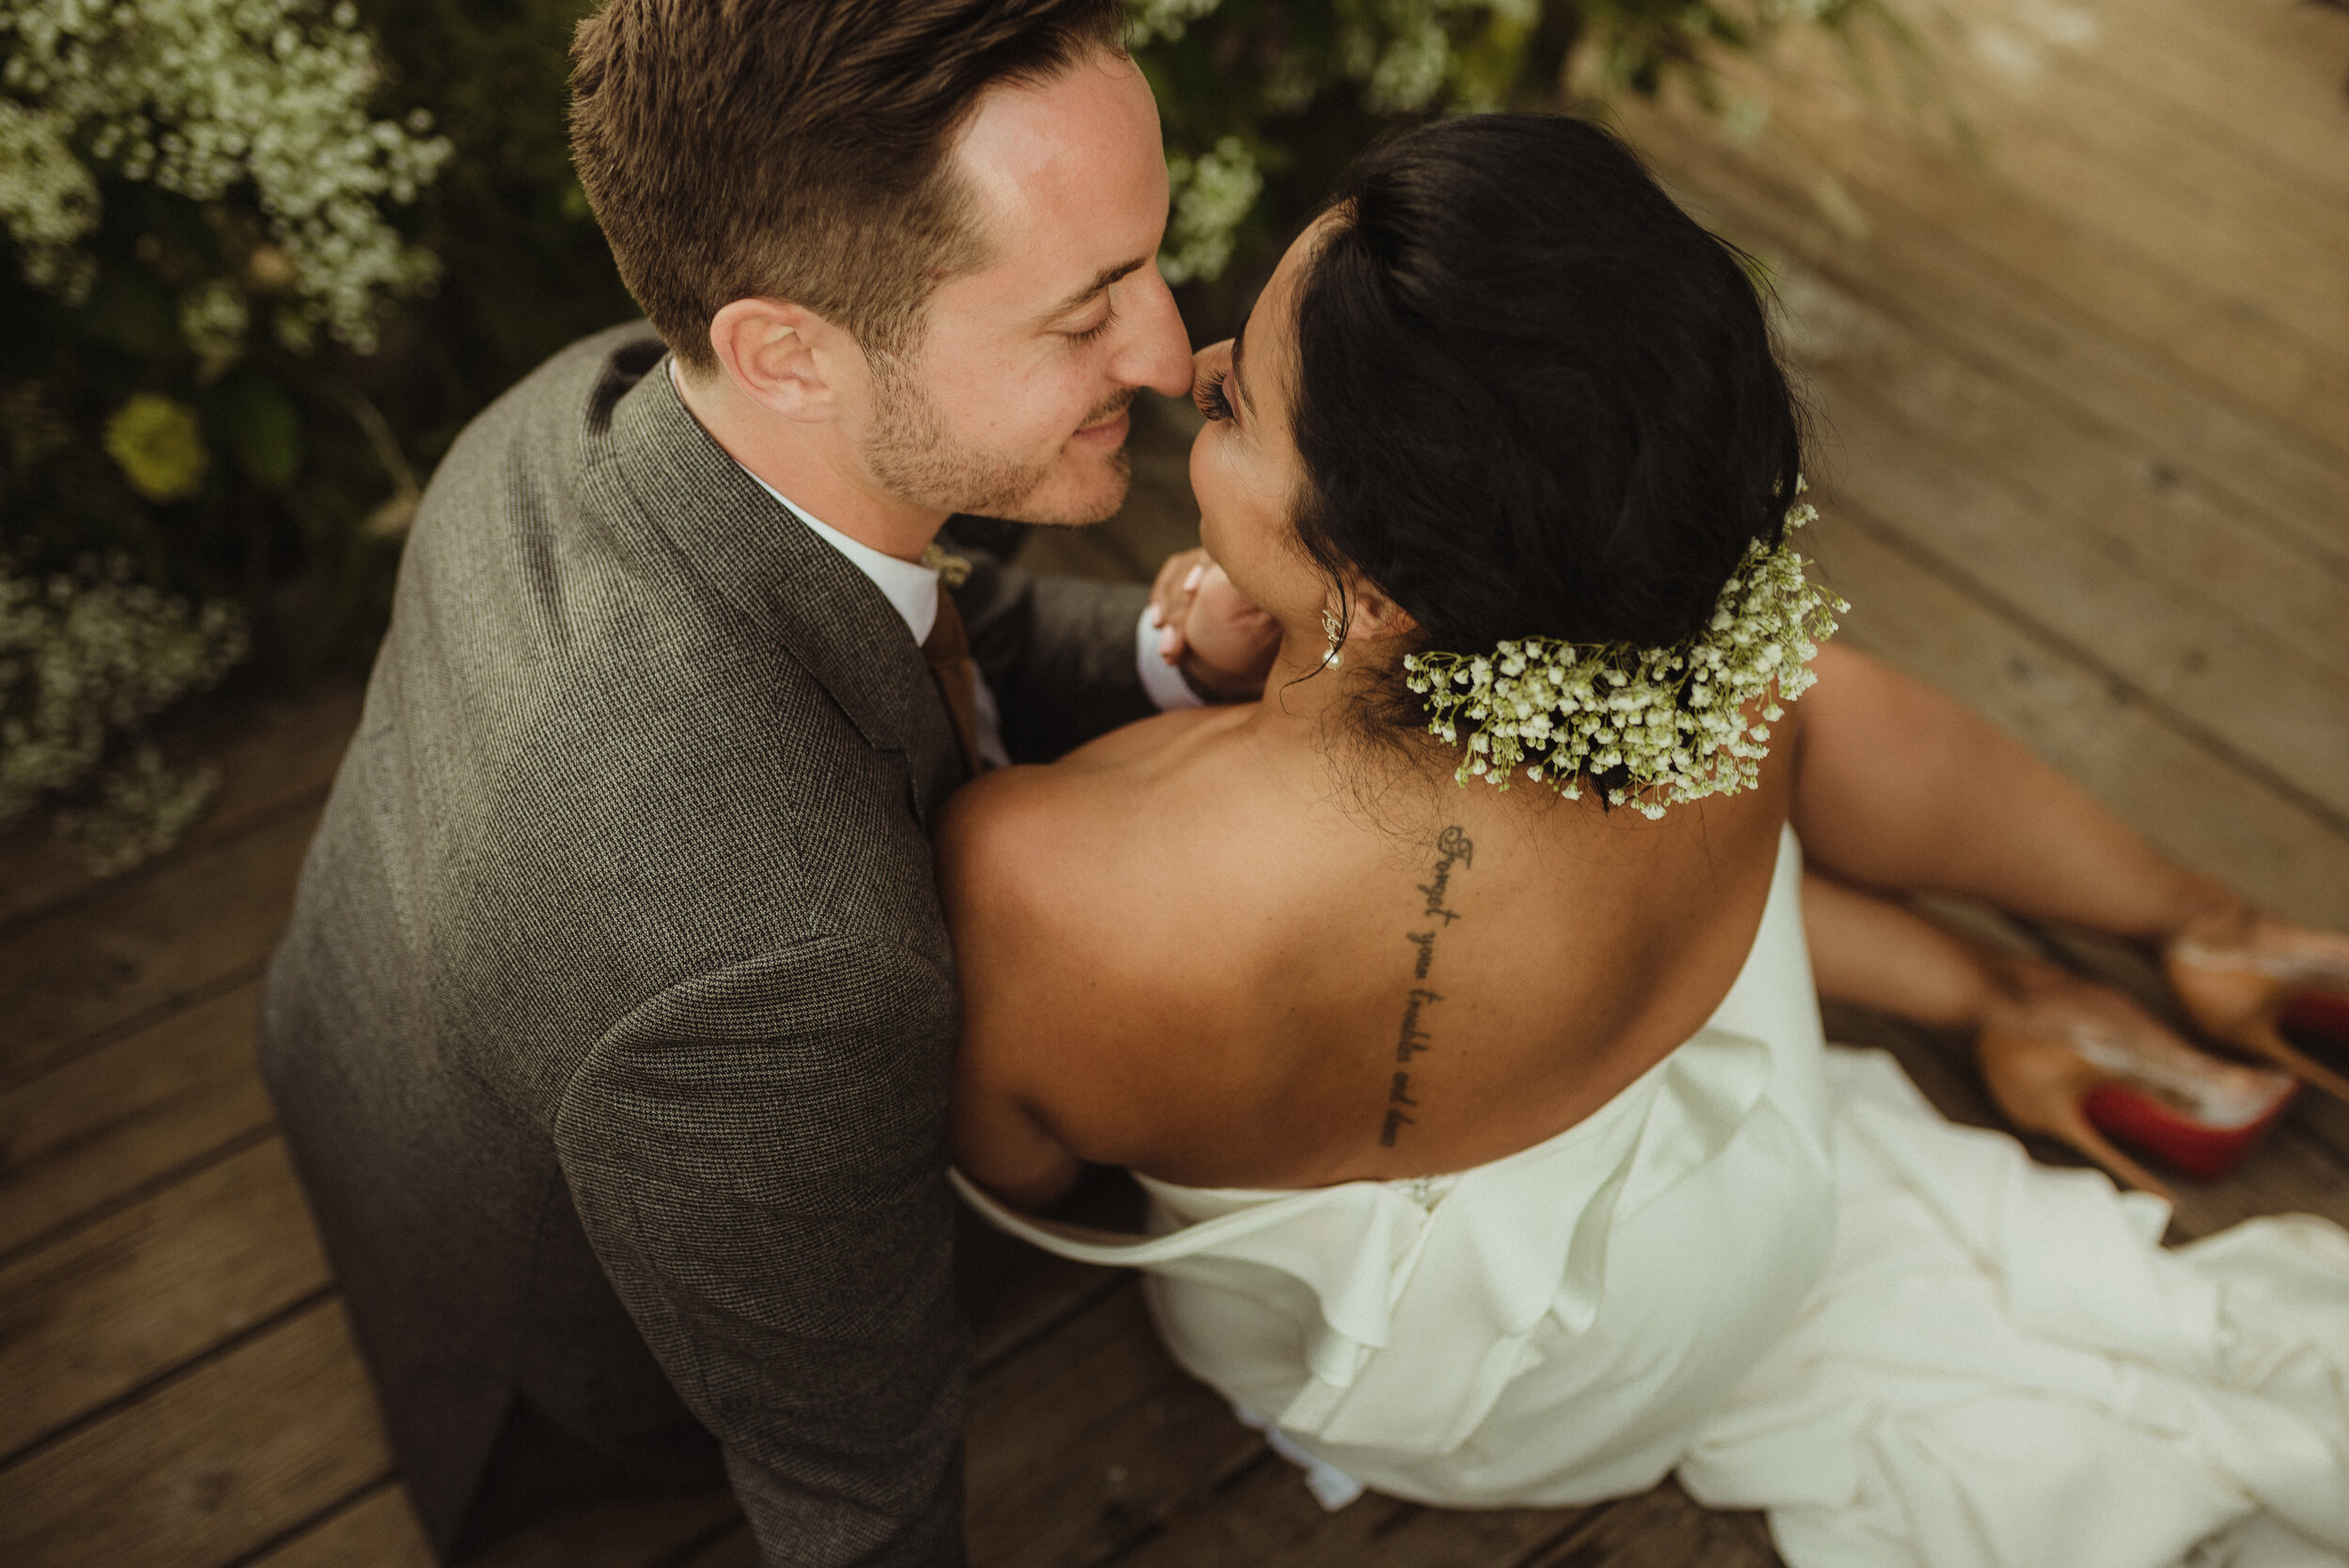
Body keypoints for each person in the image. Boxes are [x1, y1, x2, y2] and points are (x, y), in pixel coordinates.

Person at [943, 115, 2349, 1566]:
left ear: (1366, 583)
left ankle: (2010, 995)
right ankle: (2182, 934)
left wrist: (1220, 703)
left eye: (1238, 409)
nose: (1196, 366)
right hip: (1738, 1224)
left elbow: (1030, 1170)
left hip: (1474, 1398)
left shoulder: (1037, 882)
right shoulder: (1703, 644)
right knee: (1782, 711)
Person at [257, 4, 1274, 1562]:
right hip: (590, 1386)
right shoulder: (774, 965)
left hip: (404, 1062)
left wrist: (1177, 657)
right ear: (785, 350)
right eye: (1084, 315)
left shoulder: (604, 404)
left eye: (1147, 258)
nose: (1170, 346)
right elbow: (857, 1490)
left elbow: (944, 612)